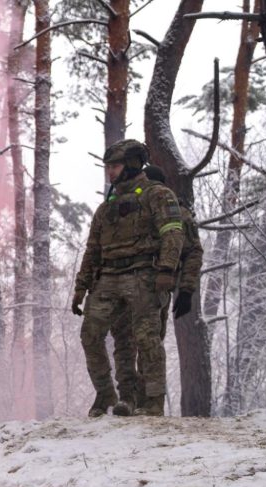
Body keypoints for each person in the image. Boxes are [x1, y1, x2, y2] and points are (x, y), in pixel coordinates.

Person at [72, 140, 185, 417]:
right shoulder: (105, 208)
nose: (110, 172)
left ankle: (152, 401)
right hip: (108, 277)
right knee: (90, 334)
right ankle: (106, 394)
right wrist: (80, 287)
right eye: (108, 166)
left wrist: (166, 270)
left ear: (133, 163)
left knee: (147, 338)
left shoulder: (157, 194)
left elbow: (173, 233)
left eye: (115, 166)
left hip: (143, 274)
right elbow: (92, 250)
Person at [107, 163, 205, 413]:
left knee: (148, 341)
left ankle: (151, 403)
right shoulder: (124, 209)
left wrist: (186, 290)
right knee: (124, 342)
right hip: (122, 283)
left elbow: (192, 251)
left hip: (155, 285)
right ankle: (128, 399)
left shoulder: (174, 211)